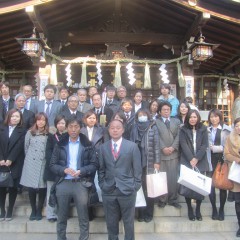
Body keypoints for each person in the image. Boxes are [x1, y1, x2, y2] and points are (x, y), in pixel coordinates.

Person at [50, 116, 97, 240]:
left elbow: (94, 165)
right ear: (66, 128)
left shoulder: (88, 144)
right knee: (61, 216)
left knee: (83, 216)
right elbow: (52, 165)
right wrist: (63, 170)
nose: (73, 129)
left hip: (80, 183)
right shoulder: (60, 144)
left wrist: (82, 171)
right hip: (63, 182)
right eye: (70, 126)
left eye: (76, 126)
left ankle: (84, 238)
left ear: (80, 128)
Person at [98, 119, 142, 240]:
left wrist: (135, 186)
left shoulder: (132, 147)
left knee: (128, 223)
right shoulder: (103, 148)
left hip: (127, 190)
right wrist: (102, 184)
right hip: (109, 190)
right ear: (109, 130)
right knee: (111, 223)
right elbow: (101, 169)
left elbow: (137, 169)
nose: (115, 130)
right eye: (112, 128)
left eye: (118, 127)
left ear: (123, 130)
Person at [130, 109, 160, 223]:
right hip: (137, 162)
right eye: (140, 115)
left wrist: (157, 162)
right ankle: (140, 214)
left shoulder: (153, 127)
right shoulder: (134, 127)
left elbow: (157, 145)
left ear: (148, 116)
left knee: (150, 190)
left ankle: (149, 213)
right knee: (139, 189)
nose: (142, 116)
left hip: (150, 162)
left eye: (144, 115)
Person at [179, 109, 209, 221]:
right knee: (188, 186)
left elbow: (205, 145)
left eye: (195, 117)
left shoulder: (203, 129)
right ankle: (190, 209)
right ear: (188, 118)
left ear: (198, 118)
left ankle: (198, 209)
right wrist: (191, 158)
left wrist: (196, 158)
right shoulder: (183, 129)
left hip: (200, 161)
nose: (193, 119)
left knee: (199, 187)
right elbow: (183, 144)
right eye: (191, 117)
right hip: (187, 160)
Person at [20, 112, 49, 221]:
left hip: (43, 162)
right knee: (31, 188)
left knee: (42, 188)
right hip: (31, 162)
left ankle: (39, 209)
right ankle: (33, 209)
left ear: (46, 121)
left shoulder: (48, 134)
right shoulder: (29, 133)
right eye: (39, 120)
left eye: (43, 120)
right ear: (35, 121)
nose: (41, 122)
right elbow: (26, 148)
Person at [0, 109, 26, 221]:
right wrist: (1, 158)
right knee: (1, 187)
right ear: (8, 117)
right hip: (1, 162)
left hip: (15, 163)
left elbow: (19, 146)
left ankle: (10, 209)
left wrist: (11, 158)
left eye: (17, 116)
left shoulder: (23, 131)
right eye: (13, 116)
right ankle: (2, 210)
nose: (15, 118)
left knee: (13, 187)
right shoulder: (2, 128)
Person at [155, 101, 181, 209]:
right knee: (162, 178)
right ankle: (162, 199)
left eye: (168, 110)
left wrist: (173, 147)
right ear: (160, 112)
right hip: (161, 154)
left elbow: (179, 136)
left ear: (171, 111)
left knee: (173, 178)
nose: (166, 111)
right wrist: (163, 148)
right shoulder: (155, 122)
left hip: (173, 154)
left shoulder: (176, 121)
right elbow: (156, 137)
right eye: (164, 110)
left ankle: (173, 199)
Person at [207, 109, 231, 221]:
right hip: (209, 160)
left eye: (216, 117)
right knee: (210, 185)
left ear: (220, 117)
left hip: (222, 160)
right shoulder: (206, 129)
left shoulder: (227, 130)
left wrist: (217, 148)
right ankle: (214, 209)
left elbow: (229, 147)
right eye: (211, 117)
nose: (214, 119)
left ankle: (221, 209)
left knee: (222, 186)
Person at [44, 115, 67, 223]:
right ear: (56, 125)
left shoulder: (68, 136)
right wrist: (54, 165)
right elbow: (48, 153)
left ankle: (62, 213)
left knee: (63, 193)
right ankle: (51, 214)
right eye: (59, 123)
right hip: (52, 169)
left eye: (63, 123)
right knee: (51, 192)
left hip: (65, 169)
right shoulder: (51, 136)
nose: (61, 125)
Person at [224, 117, 240, 237]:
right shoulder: (230, 138)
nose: (239, 127)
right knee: (238, 203)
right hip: (236, 173)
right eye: (237, 125)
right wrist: (237, 159)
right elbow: (226, 154)